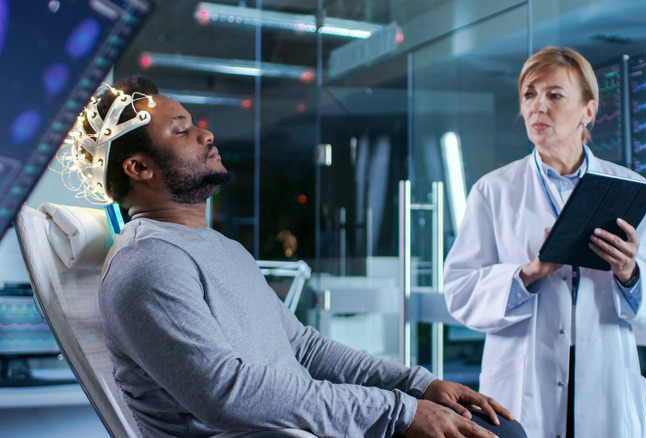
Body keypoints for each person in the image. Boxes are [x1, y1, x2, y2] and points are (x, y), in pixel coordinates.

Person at [62, 75, 525, 438]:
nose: (205, 134)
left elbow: (303, 347)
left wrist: (417, 385)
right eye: (181, 130)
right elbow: (229, 394)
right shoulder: (146, 265)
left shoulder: (223, 249)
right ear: (138, 168)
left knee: (497, 427)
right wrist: (399, 413)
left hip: (298, 428)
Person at [442, 47, 646, 438]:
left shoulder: (630, 190)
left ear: (588, 110)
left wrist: (628, 272)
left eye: (554, 95)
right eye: (529, 94)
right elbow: (460, 291)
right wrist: (528, 273)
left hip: (604, 385)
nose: (538, 107)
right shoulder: (493, 191)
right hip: (521, 388)